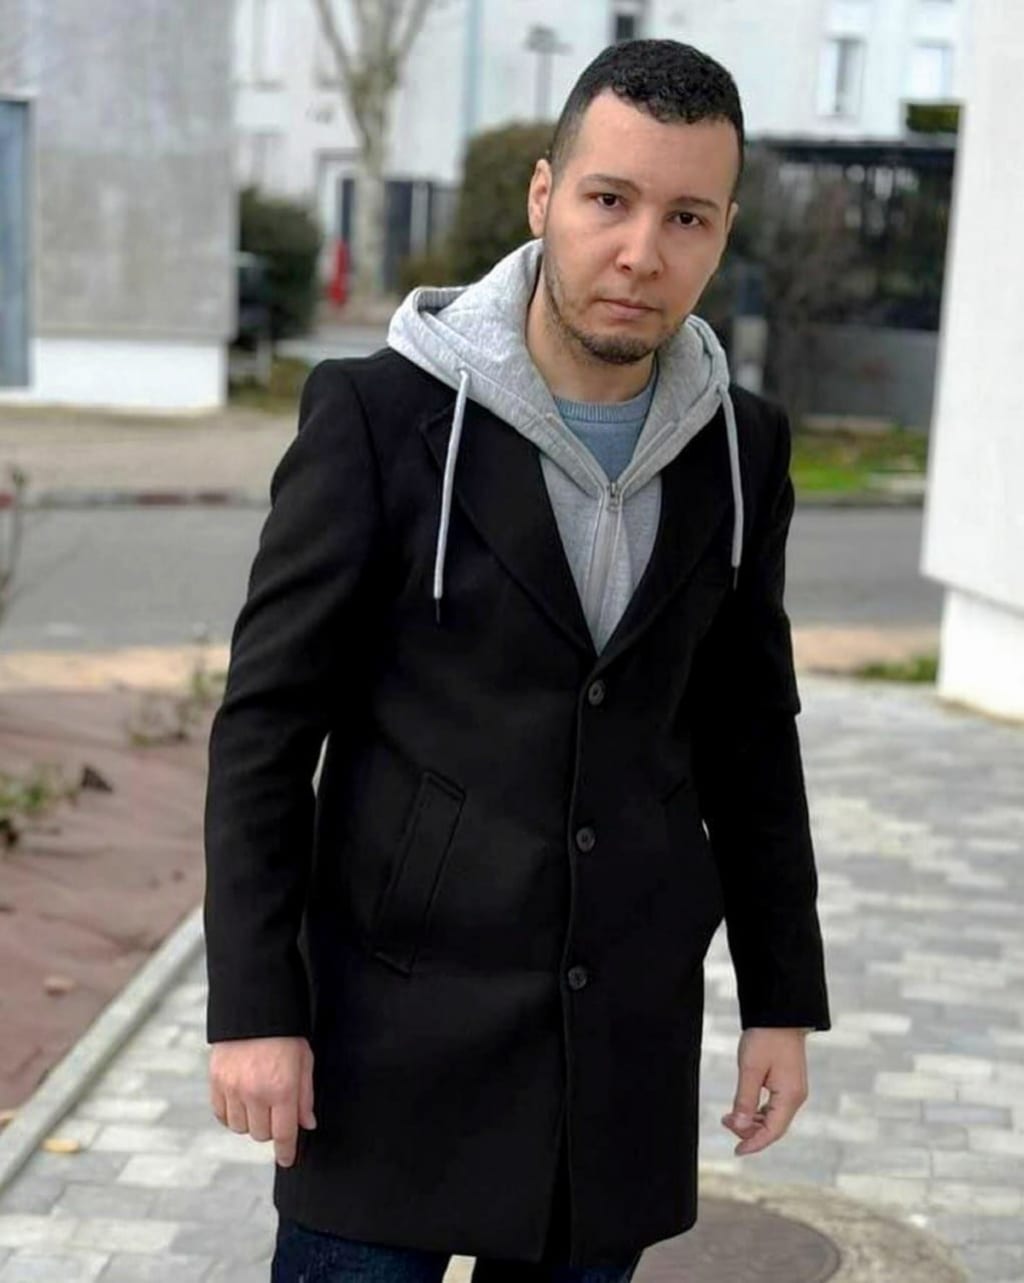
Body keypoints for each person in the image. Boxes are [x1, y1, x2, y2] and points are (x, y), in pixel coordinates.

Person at [204, 38, 831, 1283]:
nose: (640, 252)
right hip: (387, 1037)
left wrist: (780, 997)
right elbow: (265, 731)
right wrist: (256, 1009)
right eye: (609, 199)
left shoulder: (743, 448)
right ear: (544, 196)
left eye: (686, 217)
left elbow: (751, 736)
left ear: (722, 233)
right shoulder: (377, 417)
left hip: (614, 1051)